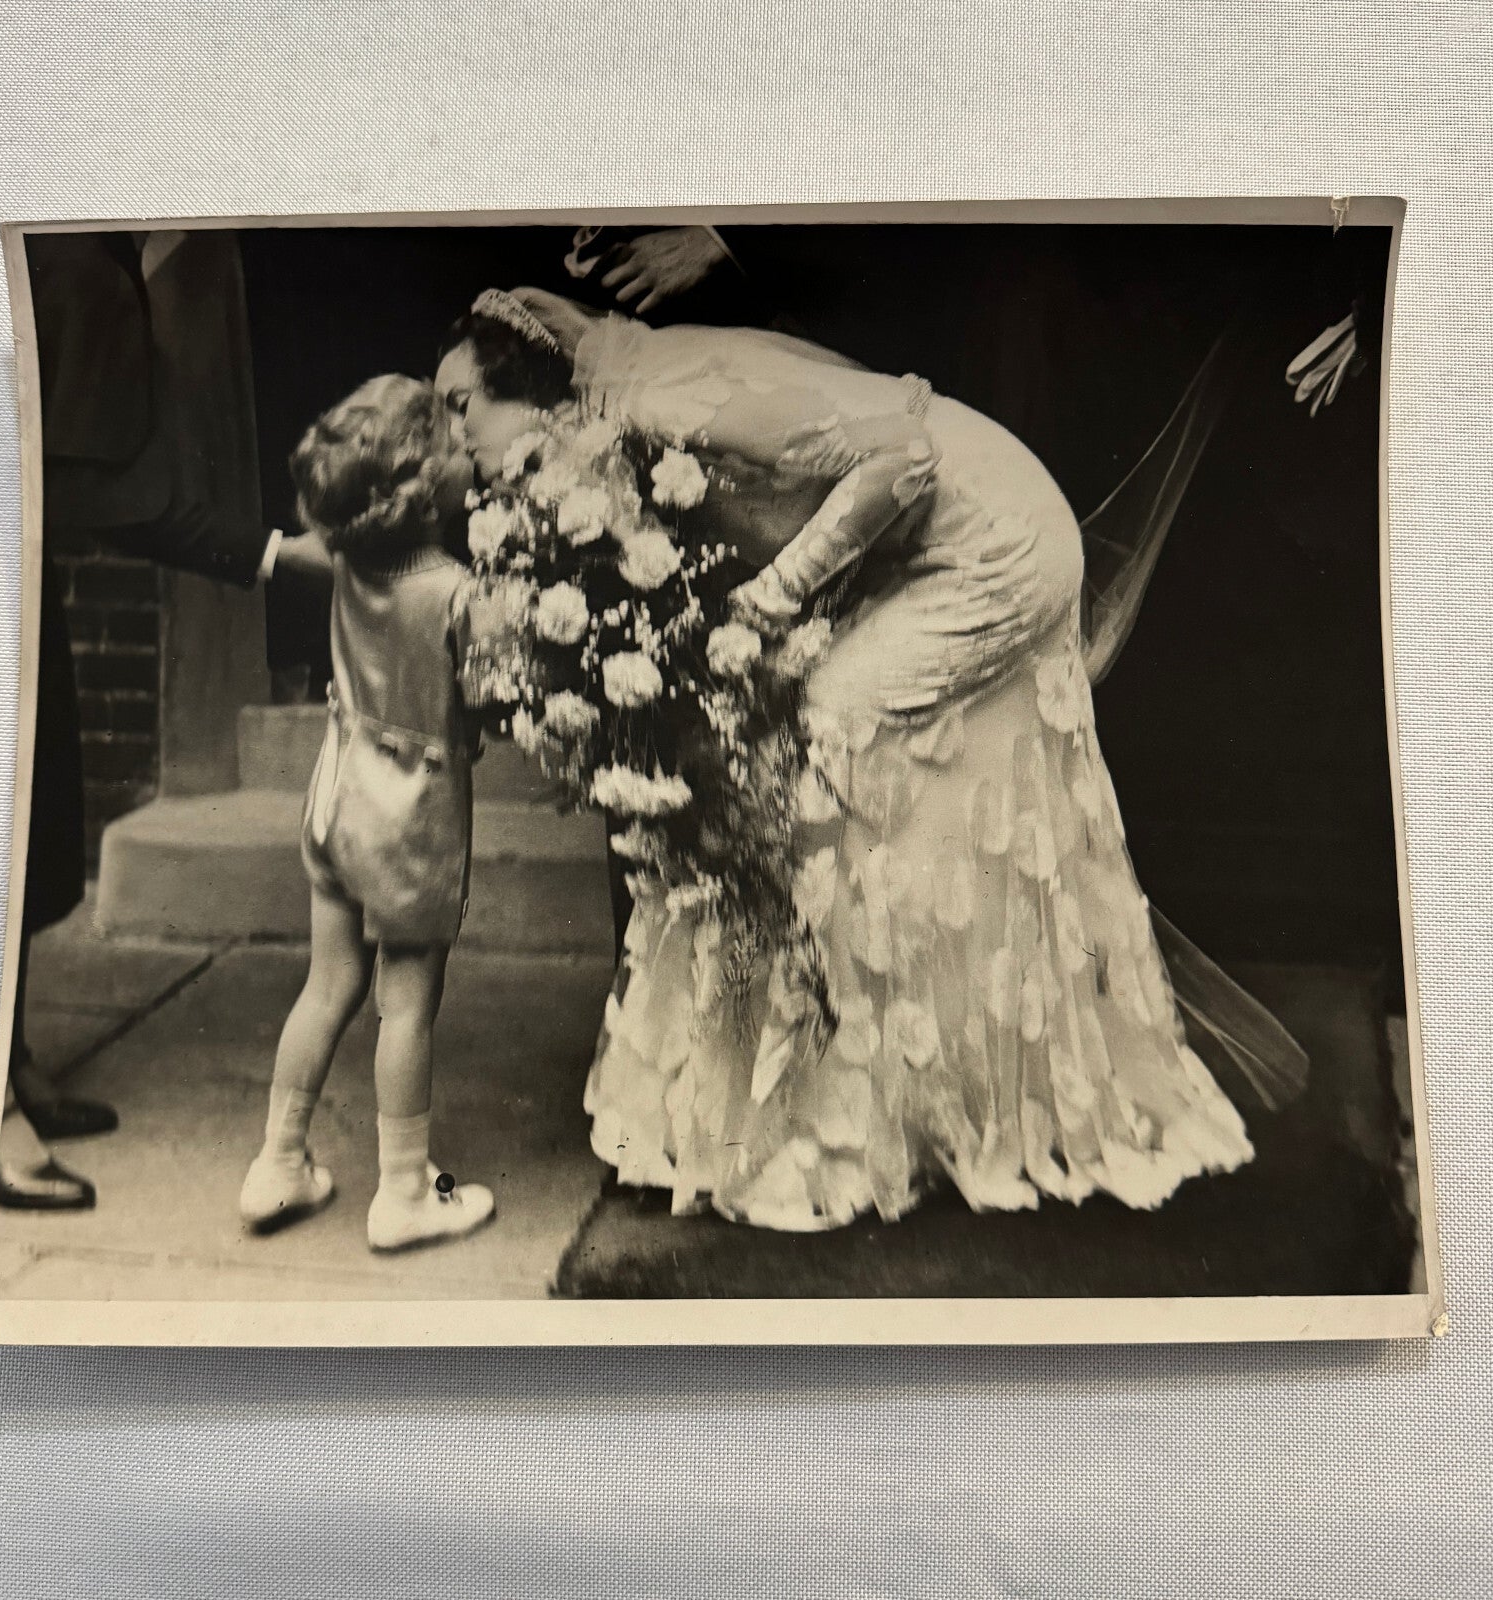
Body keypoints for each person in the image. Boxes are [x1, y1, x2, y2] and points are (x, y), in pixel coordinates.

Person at [435, 287, 1307, 1233]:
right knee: (789, 732)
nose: (454, 434)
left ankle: (889, 1089)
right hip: (924, 541)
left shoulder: (658, 396)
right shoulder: (606, 425)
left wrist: (775, 600)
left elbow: (906, 454)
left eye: (460, 405)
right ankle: (870, 1076)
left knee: (833, 716)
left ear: (531, 387)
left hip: (992, 543)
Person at [0, 230, 332, 1209]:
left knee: (34, 839)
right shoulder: (77, 282)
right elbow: (116, 502)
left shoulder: (72, 270)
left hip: (10, 593)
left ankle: (7, 1062)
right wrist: (275, 554)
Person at [238, 374, 497, 1252]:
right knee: (408, 1007)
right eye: (457, 448)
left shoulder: (350, 561)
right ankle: (405, 1192)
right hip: (411, 818)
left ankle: (278, 1163)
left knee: (327, 983)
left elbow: (301, 553)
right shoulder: (457, 592)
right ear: (427, 485)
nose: (471, 455)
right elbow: (485, 699)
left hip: (337, 791)